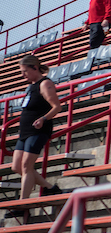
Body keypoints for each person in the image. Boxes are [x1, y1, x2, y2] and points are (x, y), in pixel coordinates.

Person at [6, 55, 62, 218]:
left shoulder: (45, 84)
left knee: (26, 166)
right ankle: (50, 188)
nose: (23, 75)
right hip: (25, 131)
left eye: (25, 72)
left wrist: (43, 119)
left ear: (34, 68)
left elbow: (56, 106)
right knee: (16, 167)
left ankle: (23, 205)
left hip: (38, 130)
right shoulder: (31, 85)